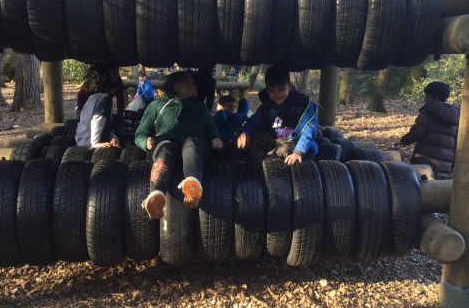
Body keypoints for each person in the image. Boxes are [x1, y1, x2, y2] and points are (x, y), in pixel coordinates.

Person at [136, 71, 223, 219]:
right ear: (177, 86)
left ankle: (193, 187)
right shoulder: (157, 105)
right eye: (190, 82)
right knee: (165, 148)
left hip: (196, 148)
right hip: (166, 144)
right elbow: (140, 133)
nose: (195, 85)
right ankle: (156, 195)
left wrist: (217, 140)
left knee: (191, 143)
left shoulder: (200, 108)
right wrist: (145, 142)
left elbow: (213, 132)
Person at [237, 65, 319, 165]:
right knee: (243, 136)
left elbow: (309, 129)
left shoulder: (302, 104)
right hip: (277, 140)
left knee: (286, 149)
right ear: (267, 90)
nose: (277, 94)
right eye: (272, 91)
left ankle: (272, 162)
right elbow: (253, 121)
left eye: (281, 89)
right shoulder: (267, 106)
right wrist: (246, 133)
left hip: (298, 144)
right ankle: (264, 162)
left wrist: (299, 152)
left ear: (290, 86)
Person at [400, 81, 459, 179]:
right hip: (445, 163)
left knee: (421, 186)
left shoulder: (428, 112)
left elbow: (417, 132)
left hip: (424, 159)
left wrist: (404, 140)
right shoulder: (456, 116)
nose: (425, 100)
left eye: (427, 96)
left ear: (435, 98)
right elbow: (457, 141)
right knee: (437, 188)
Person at [75, 70, 120, 148]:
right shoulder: (105, 98)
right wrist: (95, 142)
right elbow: (97, 118)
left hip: (81, 140)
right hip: (88, 143)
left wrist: (112, 137)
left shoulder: (91, 98)